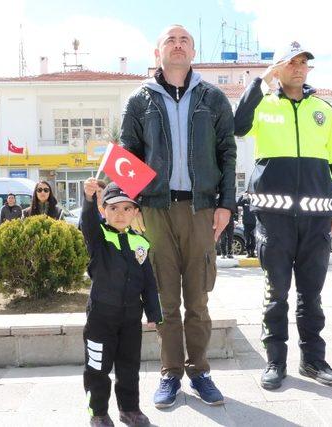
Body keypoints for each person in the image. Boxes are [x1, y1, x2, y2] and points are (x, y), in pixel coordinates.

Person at [121, 24, 236, 407]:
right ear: (158, 53)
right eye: (170, 40)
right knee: (164, 298)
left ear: (192, 52)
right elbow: (129, 154)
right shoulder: (140, 101)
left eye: (184, 39)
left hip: (201, 208)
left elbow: (227, 153)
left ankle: (199, 371)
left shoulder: (213, 98)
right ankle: (170, 373)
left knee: (198, 298)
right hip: (155, 210)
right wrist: (130, 203)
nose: (177, 44)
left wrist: (226, 204)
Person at [234, 41, 332, 390]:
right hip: (274, 219)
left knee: (311, 296)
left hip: (316, 220)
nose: (298, 68)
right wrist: (260, 80)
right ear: (279, 68)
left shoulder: (323, 110)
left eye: (304, 63)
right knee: (276, 294)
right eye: (291, 62)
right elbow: (238, 126)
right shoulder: (264, 105)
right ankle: (274, 361)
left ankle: (313, 360)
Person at [80, 179, 163, 427]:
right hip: (100, 318)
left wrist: (154, 313)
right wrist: (87, 199)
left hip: (130, 318)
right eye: (113, 208)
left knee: (129, 366)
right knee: (97, 367)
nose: (120, 214)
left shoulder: (140, 242)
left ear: (135, 212)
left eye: (127, 208)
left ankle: (129, 409)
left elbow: (148, 282)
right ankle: (98, 413)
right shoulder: (98, 237)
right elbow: (88, 224)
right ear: (103, 210)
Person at [237, 192, 257, 257]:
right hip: (246, 222)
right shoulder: (245, 200)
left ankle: (253, 252)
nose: (250, 195)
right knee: (247, 238)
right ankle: (248, 252)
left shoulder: (255, 200)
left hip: (254, 222)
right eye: (248, 193)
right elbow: (238, 204)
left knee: (253, 238)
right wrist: (242, 196)